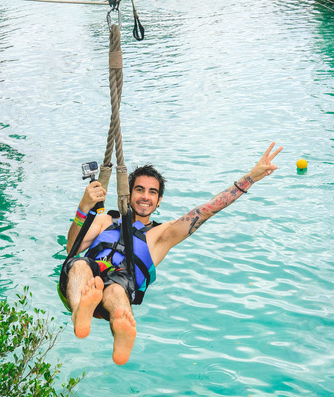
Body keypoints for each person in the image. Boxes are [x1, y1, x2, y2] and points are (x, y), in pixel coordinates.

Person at [59, 142, 283, 365]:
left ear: (159, 201)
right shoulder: (105, 220)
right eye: (139, 189)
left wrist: (251, 177)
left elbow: (207, 210)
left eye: (152, 192)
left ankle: (122, 330)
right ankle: (81, 313)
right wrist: (84, 206)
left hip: (120, 283)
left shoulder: (162, 234)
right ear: (128, 192)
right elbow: (72, 249)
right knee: (79, 265)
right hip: (85, 280)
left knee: (116, 291)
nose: (146, 196)